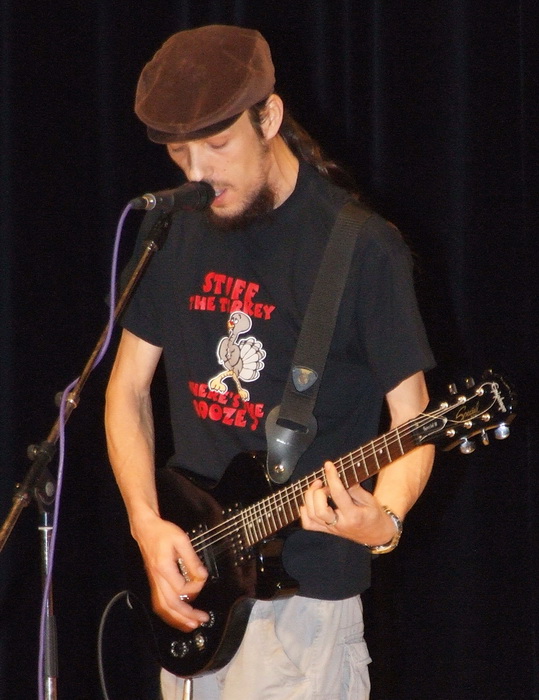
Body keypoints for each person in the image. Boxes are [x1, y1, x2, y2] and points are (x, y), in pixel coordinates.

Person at [105, 24, 435, 700]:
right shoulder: (173, 229)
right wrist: (146, 524)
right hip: (195, 593)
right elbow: (126, 391)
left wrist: (385, 519)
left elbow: (417, 420)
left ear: (270, 117)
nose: (196, 173)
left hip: (303, 614)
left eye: (217, 145)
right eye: (178, 152)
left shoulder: (359, 247)